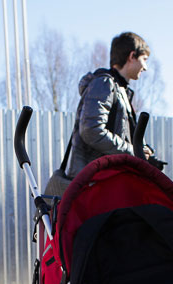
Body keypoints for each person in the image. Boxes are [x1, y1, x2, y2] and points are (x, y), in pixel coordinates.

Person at [65, 31, 153, 178]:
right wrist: (132, 151)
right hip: (94, 182)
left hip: (106, 180)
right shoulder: (104, 84)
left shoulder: (121, 90)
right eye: (144, 59)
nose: (145, 67)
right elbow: (91, 130)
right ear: (132, 56)